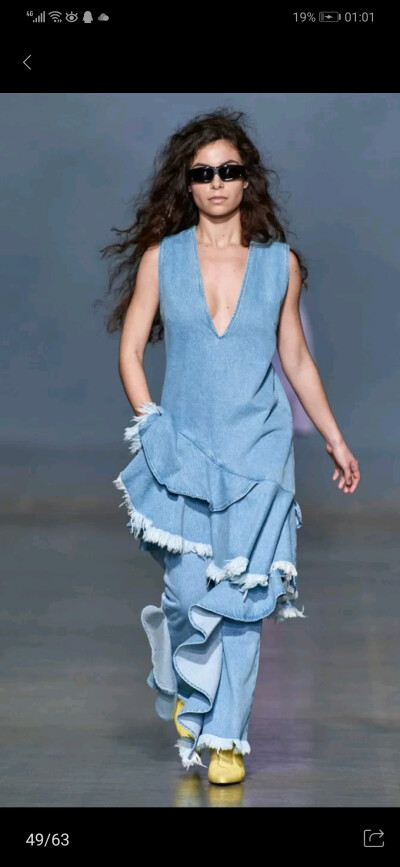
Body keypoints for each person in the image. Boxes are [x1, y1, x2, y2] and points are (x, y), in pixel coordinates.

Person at [101, 108, 361, 785]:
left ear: (248, 180)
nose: (216, 182)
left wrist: (334, 438)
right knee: (188, 594)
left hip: (259, 453)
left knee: (245, 599)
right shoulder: (163, 260)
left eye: (229, 170)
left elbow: (295, 358)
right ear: (187, 184)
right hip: (185, 451)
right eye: (203, 172)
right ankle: (188, 689)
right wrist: (151, 423)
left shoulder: (280, 265)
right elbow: (131, 350)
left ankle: (226, 739)